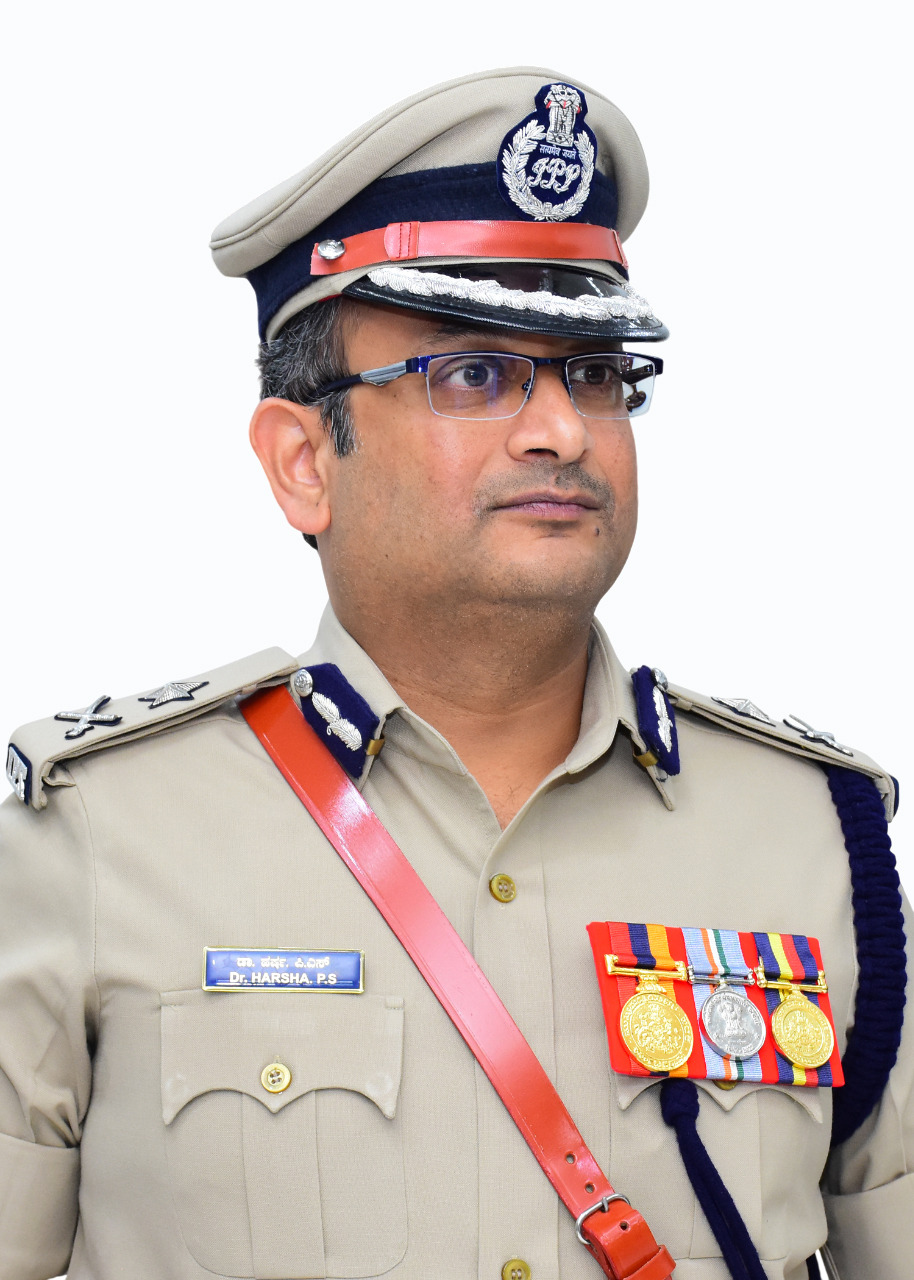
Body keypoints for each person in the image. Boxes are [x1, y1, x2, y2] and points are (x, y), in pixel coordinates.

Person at [0, 66, 910, 1280]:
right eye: (472, 375)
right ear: (302, 462)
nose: (562, 430)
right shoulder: (94, 840)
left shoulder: (810, 836)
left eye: (594, 374)